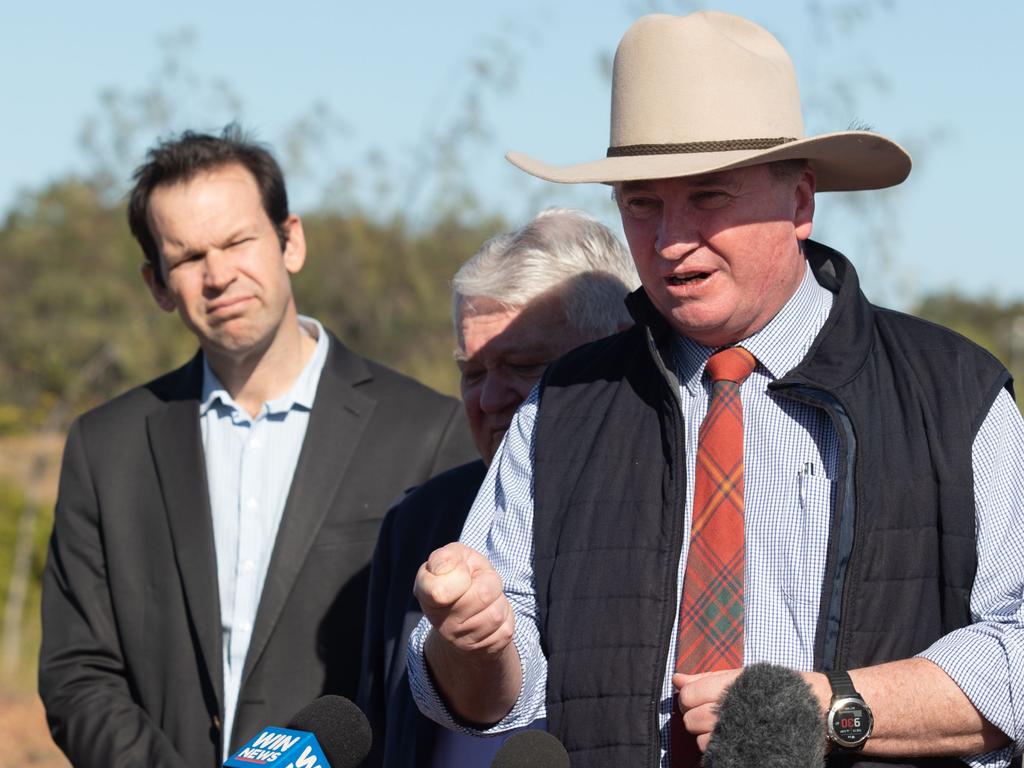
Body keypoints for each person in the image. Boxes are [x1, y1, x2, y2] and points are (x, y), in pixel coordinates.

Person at [408, 11, 1024, 768]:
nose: (670, 241)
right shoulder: (566, 405)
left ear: (800, 202)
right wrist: (474, 641)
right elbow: (503, 694)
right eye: (642, 203)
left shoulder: (952, 395)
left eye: (708, 197)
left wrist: (827, 710)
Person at [37, 126, 476, 768]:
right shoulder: (106, 448)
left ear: (289, 240)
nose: (218, 275)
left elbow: (435, 674)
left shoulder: (428, 432)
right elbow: (78, 672)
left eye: (238, 240)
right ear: (158, 284)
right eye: (188, 257)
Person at [358, 208, 638, 767]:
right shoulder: (419, 521)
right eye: (473, 372)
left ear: (618, 349)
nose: (489, 400)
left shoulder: (673, 510)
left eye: (526, 366)